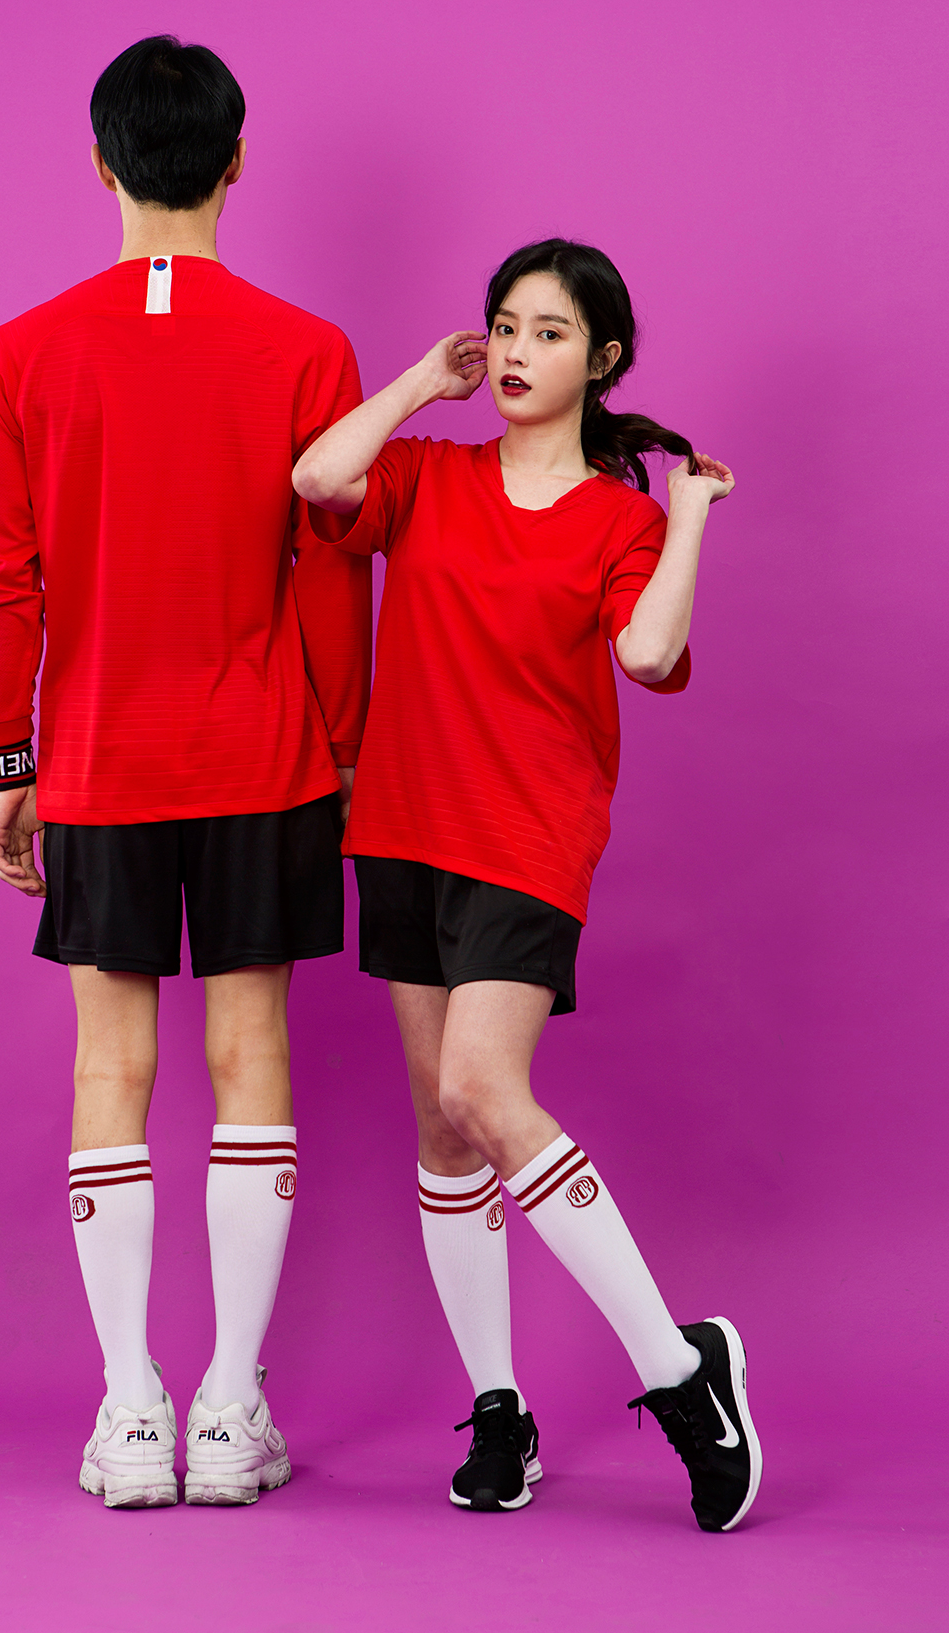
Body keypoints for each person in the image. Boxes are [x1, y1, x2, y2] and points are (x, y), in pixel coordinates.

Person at [0, 36, 371, 1509]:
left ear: (100, 161)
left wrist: (10, 757)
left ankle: (132, 1410)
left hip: (92, 757)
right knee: (252, 1058)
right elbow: (334, 574)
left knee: (109, 1069)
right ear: (237, 161)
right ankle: (230, 1406)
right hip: (264, 753)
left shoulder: (20, 353)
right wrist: (342, 746)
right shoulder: (309, 349)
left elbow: (2, 584)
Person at [292, 238, 760, 1532]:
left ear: (602, 360)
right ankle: (500, 1411)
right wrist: (417, 383)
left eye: (547, 333)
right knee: (445, 1135)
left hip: (528, 835)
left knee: (481, 1090)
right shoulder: (429, 475)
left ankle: (681, 1373)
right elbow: (318, 477)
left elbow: (651, 652)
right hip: (403, 826)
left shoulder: (623, 521)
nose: (514, 351)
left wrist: (692, 515)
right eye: (503, 326)